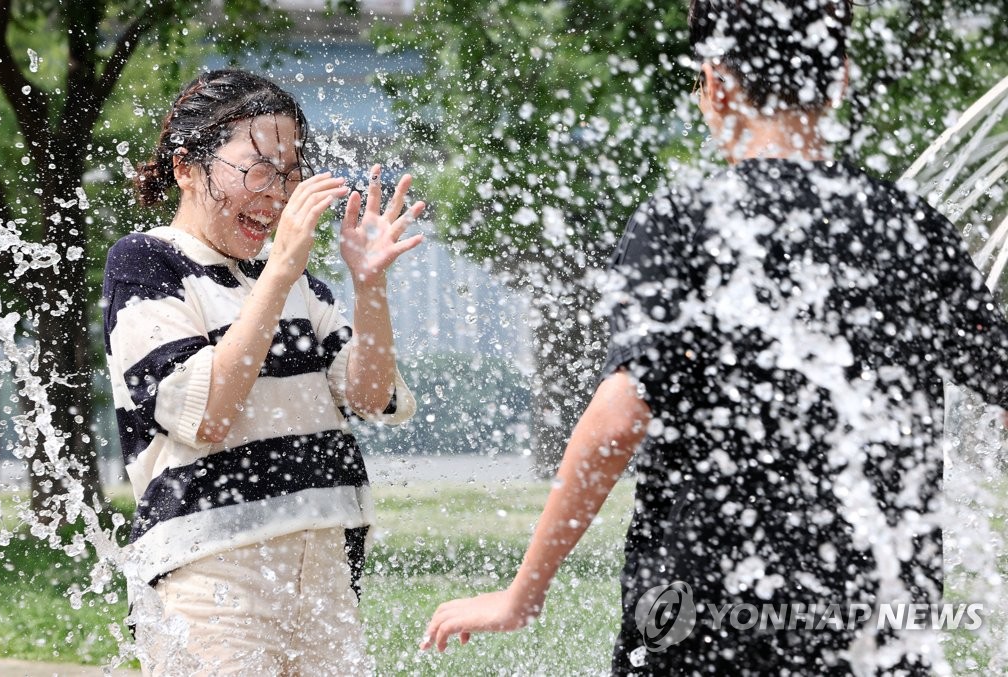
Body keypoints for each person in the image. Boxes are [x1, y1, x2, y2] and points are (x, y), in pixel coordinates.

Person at [420, 0, 1008, 674]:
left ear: (716, 84)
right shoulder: (910, 227)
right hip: (879, 619)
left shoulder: (684, 222)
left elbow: (617, 423)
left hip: (706, 620)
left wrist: (521, 594)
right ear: (840, 77)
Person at [103, 69, 423, 675]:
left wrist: (369, 284)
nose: (278, 194)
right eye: (258, 168)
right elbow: (208, 414)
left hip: (325, 559)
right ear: (187, 168)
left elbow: (372, 396)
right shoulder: (148, 263)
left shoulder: (301, 287)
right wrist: (279, 271)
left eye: (290, 171)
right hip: (212, 569)